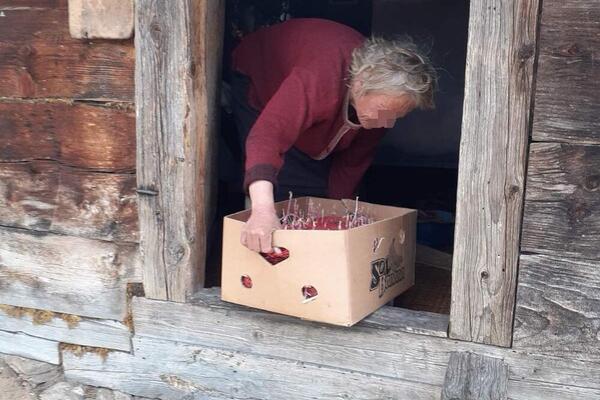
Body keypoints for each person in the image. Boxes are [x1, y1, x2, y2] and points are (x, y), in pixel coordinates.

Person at [229, 18, 436, 253]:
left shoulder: (382, 111)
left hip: (317, 98)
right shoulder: (321, 76)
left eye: (398, 115)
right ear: (359, 83)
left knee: (318, 194)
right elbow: (267, 135)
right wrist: (263, 211)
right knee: (284, 191)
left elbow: (352, 164)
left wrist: (339, 219)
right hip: (261, 79)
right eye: (384, 110)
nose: (387, 121)